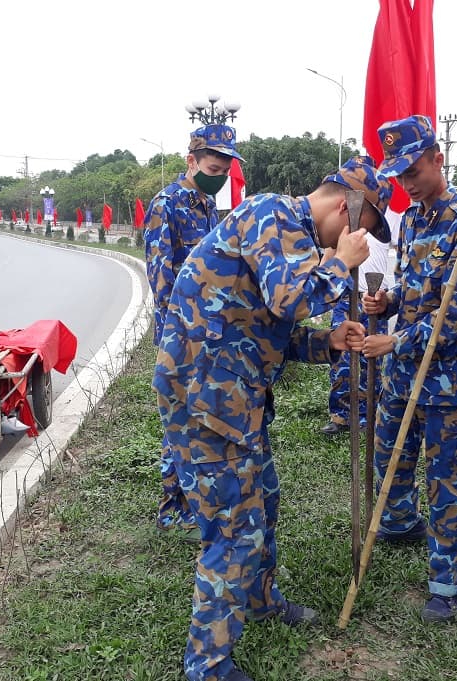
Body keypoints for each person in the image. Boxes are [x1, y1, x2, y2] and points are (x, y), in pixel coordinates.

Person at [154, 156, 393, 681]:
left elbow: (266, 326)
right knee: (234, 531)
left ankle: (260, 599)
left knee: (264, 499)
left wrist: (328, 341)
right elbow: (290, 300)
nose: (358, 241)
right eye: (363, 229)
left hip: (235, 396)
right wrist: (341, 262)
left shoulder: (290, 232)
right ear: (345, 208)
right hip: (206, 400)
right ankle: (207, 666)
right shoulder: (273, 214)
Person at [362, 115, 457, 623]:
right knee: (389, 454)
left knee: (448, 481)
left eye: (413, 171)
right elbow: (416, 288)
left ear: (439, 159)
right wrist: (389, 302)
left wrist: (394, 339)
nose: (407, 183)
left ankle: (449, 581)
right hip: (403, 372)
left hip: (450, 380)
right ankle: (399, 523)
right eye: (398, 175)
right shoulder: (414, 218)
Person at [144, 123, 242, 535]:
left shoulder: (206, 204)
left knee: (200, 417)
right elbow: (160, 276)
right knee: (178, 420)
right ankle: (172, 507)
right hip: (180, 334)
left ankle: (196, 500)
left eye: (224, 171)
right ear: (191, 161)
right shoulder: (165, 204)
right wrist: (180, 334)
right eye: (213, 169)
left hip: (210, 331)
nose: (219, 177)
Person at [320, 233, 393, 436]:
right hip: (346, 299)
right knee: (341, 358)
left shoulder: (386, 223)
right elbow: (328, 258)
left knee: (372, 358)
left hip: (376, 299)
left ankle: (369, 416)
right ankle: (341, 416)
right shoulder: (346, 227)